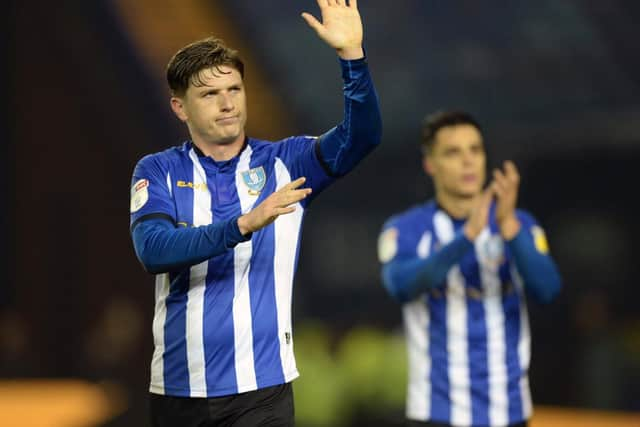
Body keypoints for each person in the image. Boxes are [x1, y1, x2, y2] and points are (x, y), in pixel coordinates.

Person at [128, 1, 381, 426]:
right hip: (179, 390)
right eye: (210, 94)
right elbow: (152, 250)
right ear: (180, 107)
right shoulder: (159, 170)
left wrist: (351, 56)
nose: (227, 103)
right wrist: (245, 223)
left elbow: (363, 137)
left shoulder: (288, 162)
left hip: (262, 393)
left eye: (234, 89)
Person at [377, 111, 561, 427]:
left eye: (475, 150)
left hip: (510, 413)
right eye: (453, 152)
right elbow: (400, 286)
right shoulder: (407, 229)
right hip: (436, 414)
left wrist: (508, 226)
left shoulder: (519, 225)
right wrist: (466, 239)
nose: (468, 161)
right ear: (430, 164)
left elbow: (548, 290)